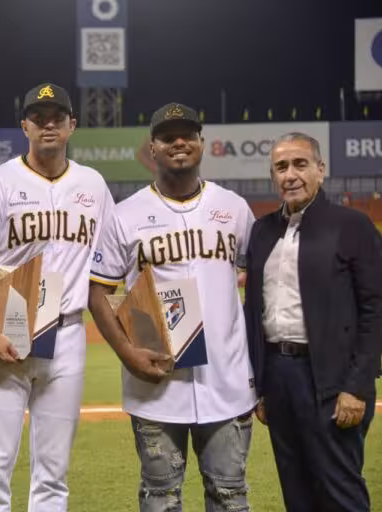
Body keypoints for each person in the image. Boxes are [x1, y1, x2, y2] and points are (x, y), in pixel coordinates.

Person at [88, 103, 256, 512]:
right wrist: (128, 354)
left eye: (188, 134)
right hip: (156, 386)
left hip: (227, 382)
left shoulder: (234, 209)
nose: (179, 142)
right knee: (160, 497)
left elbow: (261, 284)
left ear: (202, 143)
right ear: (153, 148)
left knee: (230, 495)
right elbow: (98, 293)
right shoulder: (124, 216)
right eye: (168, 136)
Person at [0, 83, 119, 511]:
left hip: (67, 336)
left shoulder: (93, 184)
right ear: (24, 126)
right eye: (38, 117)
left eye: (56, 117)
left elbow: (107, 269)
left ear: (72, 124)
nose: (47, 124)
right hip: (6, 333)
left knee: (53, 473)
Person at [244, 132, 382, 512]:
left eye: (300, 164)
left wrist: (356, 387)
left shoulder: (352, 226)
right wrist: (261, 386)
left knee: (340, 491)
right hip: (278, 377)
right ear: (273, 177)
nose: (290, 174)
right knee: (297, 492)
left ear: (320, 170)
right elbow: (253, 310)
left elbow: (376, 309)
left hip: (331, 379)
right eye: (281, 167)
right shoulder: (262, 232)